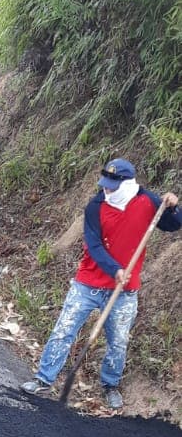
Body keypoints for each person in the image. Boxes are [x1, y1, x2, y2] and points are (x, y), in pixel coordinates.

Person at [21, 158, 180, 410]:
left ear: (127, 183)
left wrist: (172, 207)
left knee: (118, 341)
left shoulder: (148, 201)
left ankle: (110, 385)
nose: (107, 189)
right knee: (64, 330)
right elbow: (94, 247)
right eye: (105, 184)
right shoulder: (95, 207)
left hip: (124, 291)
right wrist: (115, 269)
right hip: (88, 283)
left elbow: (173, 225)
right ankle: (44, 379)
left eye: (112, 186)